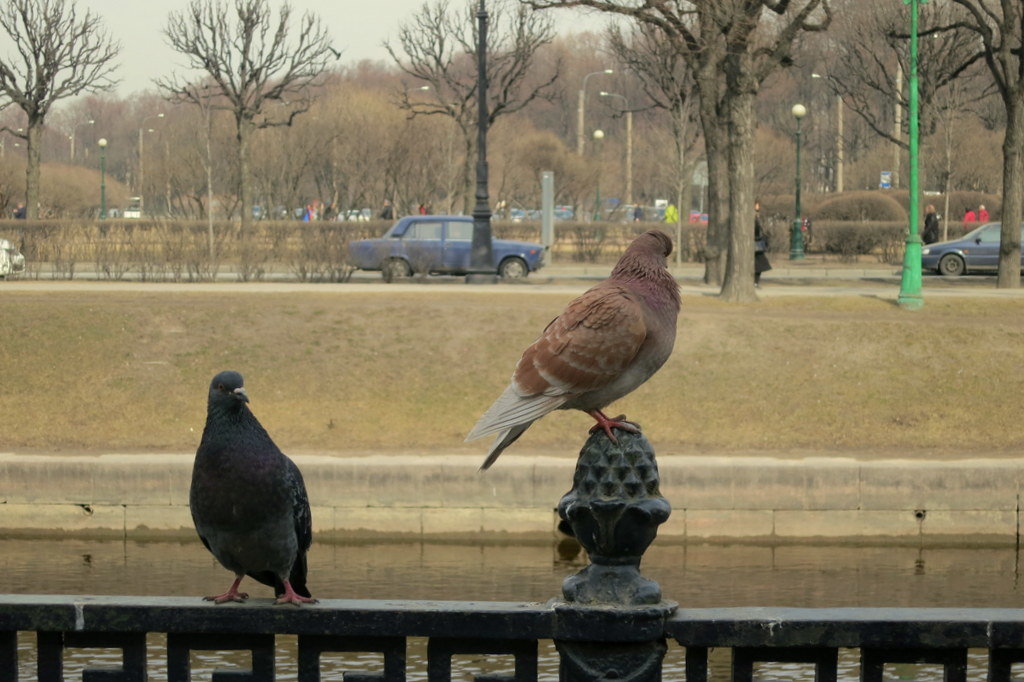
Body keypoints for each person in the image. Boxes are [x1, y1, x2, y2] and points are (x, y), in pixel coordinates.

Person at [754, 201, 771, 288]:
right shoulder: (753, 220)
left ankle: (755, 282)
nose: (757, 212)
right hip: (753, 245)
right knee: (757, 265)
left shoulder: (759, 219)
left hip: (758, 245)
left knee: (760, 266)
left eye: (758, 210)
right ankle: (754, 282)